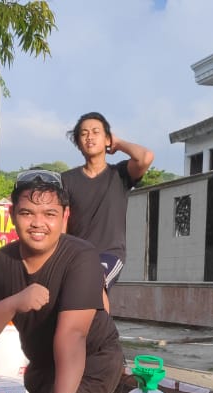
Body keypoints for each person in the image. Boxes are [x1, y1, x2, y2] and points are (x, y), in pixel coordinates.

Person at [0, 170, 123, 393]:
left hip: (93, 362)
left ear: (65, 216)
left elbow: (74, 333)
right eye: (27, 213)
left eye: (49, 214)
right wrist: (13, 304)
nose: (38, 223)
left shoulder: (82, 257)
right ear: (12, 215)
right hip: (43, 366)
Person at [60, 112, 153, 311]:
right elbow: (62, 221)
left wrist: (118, 143)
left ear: (107, 139)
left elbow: (145, 157)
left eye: (96, 132)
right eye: (84, 133)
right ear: (78, 143)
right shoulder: (66, 180)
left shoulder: (119, 174)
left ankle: (103, 331)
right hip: (76, 255)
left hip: (109, 253)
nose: (89, 137)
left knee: (95, 281)